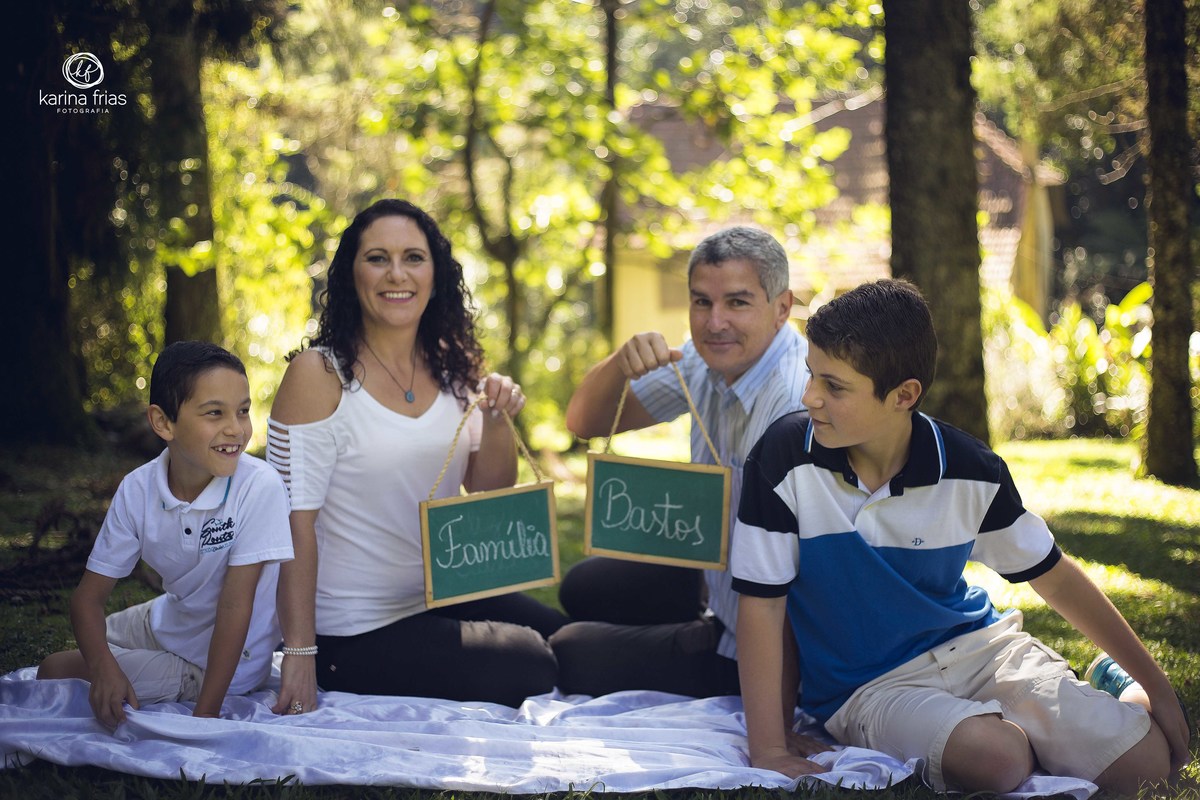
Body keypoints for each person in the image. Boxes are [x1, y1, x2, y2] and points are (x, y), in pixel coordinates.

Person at [731, 278, 1192, 793]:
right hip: (870, 687)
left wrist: (1158, 689)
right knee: (999, 760)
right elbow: (762, 605)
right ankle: (1055, 722)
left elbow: (1055, 579)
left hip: (981, 649)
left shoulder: (971, 470)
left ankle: (1117, 688)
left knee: (1148, 767)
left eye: (834, 387)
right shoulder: (783, 458)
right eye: (812, 375)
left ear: (904, 395)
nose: (809, 397)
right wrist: (769, 746)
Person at [267, 198, 567, 713]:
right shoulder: (319, 376)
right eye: (377, 258)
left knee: (565, 637)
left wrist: (495, 419)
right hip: (353, 628)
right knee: (533, 662)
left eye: (413, 257)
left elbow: (489, 493)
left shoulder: (453, 368)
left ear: (436, 274)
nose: (396, 274)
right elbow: (289, 524)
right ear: (351, 274)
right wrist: (299, 651)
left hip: (441, 594)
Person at [550, 225, 810, 700]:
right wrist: (619, 364)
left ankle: (699, 641)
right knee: (584, 587)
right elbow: (583, 420)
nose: (715, 323)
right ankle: (696, 621)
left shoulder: (793, 402)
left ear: (782, 308)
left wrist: (774, 720)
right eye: (701, 302)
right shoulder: (701, 360)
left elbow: (797, 581)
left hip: (766, 639)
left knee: (571, 652)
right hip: (714, 578)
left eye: (737, 302)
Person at [38, 341, 293, 727]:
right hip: (167, 617)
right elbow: (86, 602)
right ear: (163, 423)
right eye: (214, 413)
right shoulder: (137, 489)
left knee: (55, 668)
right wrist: (105, 668)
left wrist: (204, 717)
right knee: (96, 650)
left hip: (215, 662)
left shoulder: (259, 486)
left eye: (243, 411)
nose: (236, 429)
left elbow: (234, 608)